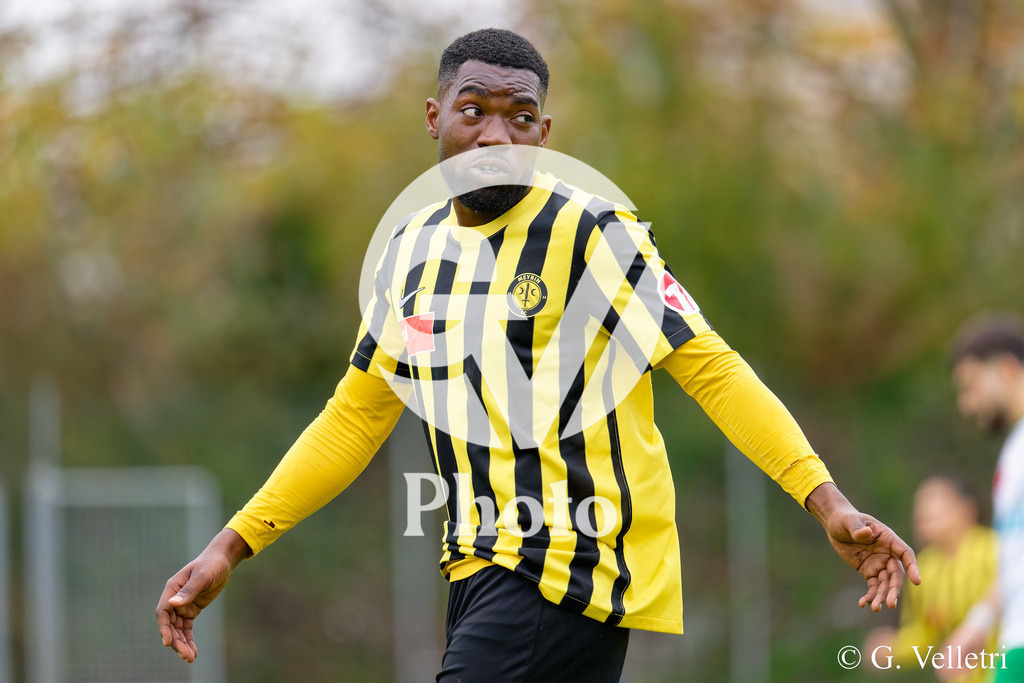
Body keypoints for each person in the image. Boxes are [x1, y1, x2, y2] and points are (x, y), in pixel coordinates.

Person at [156, 28, 920, 682]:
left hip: (569, 561)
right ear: (434, 119)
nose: (497, 136)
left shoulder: (591, 232)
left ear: (543, 134)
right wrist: (233, 543)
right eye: (474, 111)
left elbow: (709, 366)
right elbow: (352, 419)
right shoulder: (410, 255)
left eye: (520, 118)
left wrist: (829, 502)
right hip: (475, 568)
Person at [943, 312, 1024, 681]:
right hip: (1013, 646)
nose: (966, 403)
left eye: (971, 385)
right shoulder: (1013, 451)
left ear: (1007, 369)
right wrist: (976, 627)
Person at [864, 476, 996, 682]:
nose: (922, 512)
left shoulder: (995, 550)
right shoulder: (922, 568)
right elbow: (927, 633)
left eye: (935, 501)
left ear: (966, 508)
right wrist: (892, 648)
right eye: (919, 507)